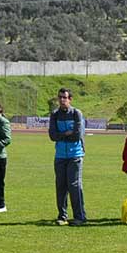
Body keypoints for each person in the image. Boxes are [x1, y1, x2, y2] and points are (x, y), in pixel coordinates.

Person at [49, 88, 86, 224]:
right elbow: (52, 136)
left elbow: (77, 135)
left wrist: (61, 135)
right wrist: (66, 133)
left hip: (75, 155)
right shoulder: (54, 115)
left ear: (70, 99)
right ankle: (62, 216)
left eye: (65, 97)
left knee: (74, 185)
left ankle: (80, 216)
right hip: (60, 155)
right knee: (60, 186)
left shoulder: (77, 113)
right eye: (60, 97)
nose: (62, 100)